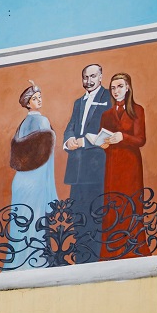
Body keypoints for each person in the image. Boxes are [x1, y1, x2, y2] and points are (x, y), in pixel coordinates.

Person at [63, 64, 112, 263]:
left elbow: (108, 132)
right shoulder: (78, 102)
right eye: (85, 77)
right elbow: (70, 126)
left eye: (93, 76)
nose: (89, 81)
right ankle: (81, 260)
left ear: (101, 77)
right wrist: (69, 140)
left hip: (97, 170)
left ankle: (94, 261)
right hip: (76, 172)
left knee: (96, 216)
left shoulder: (108, 98)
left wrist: (83, 142)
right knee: (78, 216)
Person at [99, 73, 151, 259]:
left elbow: (141, 139)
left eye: (120, 86)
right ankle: (112, 250)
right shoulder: (106, 114)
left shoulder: (137, 110)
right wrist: (103, 143)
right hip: (112, 165)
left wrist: (123, 137)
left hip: (130, 165)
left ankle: (133, 249)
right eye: (113, 88)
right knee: (112, 205)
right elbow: (103, 139)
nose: (116, 91)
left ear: (128, 87)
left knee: (131, 204)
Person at [7, 81, 58, 270]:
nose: (39, 100)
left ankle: (18, 262)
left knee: (21, 221)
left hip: (21, 181)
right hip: (35, 180)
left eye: (40, 97)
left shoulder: (22, 125)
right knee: (35, 218)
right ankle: (35, 261)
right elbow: (45, 157)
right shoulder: (42, 121)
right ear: (28, 103)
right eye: (35, 98)